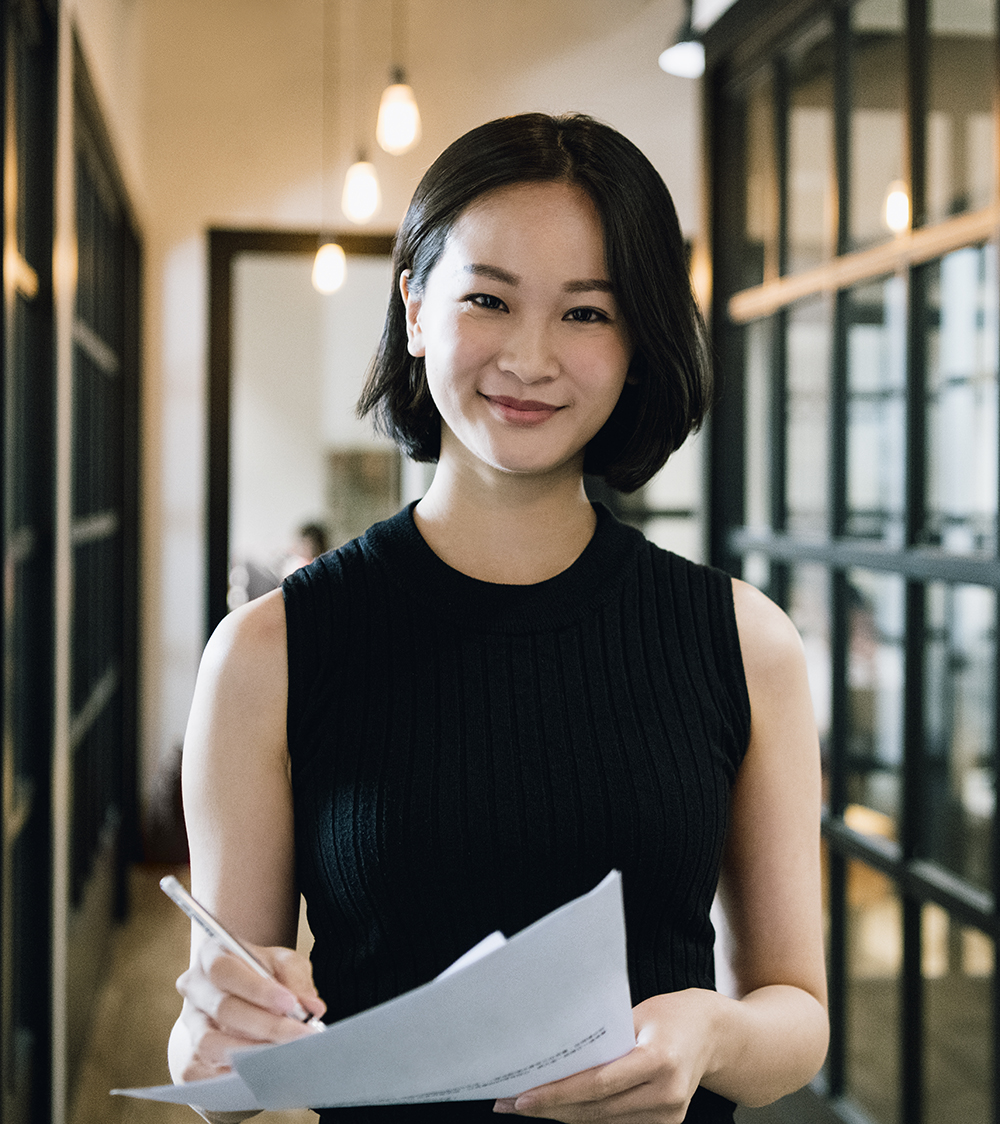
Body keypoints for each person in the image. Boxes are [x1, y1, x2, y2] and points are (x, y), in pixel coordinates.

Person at [168, 112, 828, 1124]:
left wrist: (711, 1032)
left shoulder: (742, 640)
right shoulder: (269, 651)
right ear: (417, 308)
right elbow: (220, 1066)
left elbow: (795, 1019)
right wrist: (213, 1035)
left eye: (587, 313)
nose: (529, 357)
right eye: (488, 298)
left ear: (639, 340)